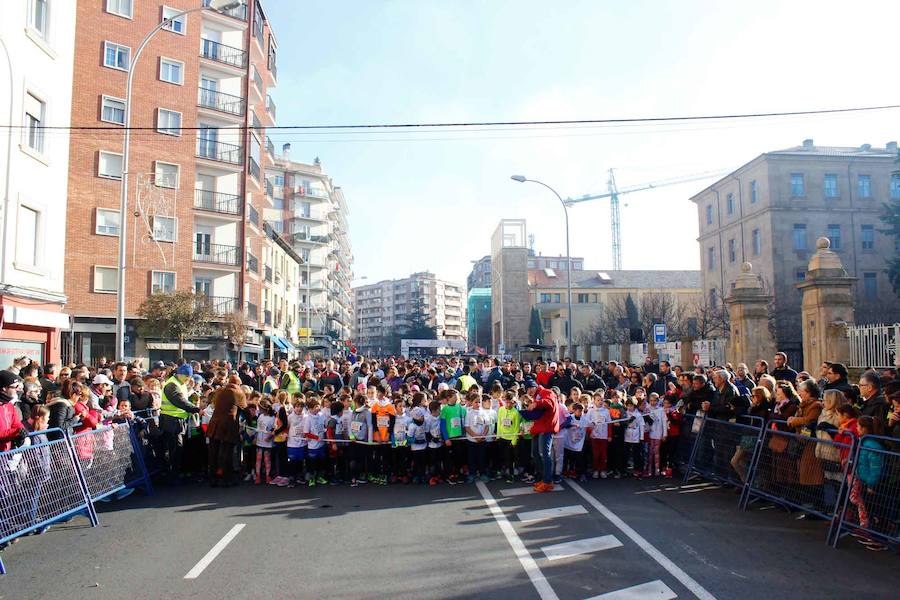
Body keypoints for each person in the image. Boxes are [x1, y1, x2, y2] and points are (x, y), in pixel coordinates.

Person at [158, 364, 202, 482]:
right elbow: (180, 401)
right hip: (171, 421)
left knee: (177, 448)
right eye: (187, 376)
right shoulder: (172, 385)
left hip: (177, 420)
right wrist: (196, 409)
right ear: (180, 374)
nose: (188, 379)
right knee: (175, 448)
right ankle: (171, 475)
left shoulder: (180, 383)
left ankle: (174, 473)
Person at [206, 374, 245, 488]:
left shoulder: (219, 390)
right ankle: (226, 479)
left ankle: (213, 478)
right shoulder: (238, 392)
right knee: (226, 453)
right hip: (228, 426)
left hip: (214, 424)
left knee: (213, 453)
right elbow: (245, 408)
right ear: (238, 384)